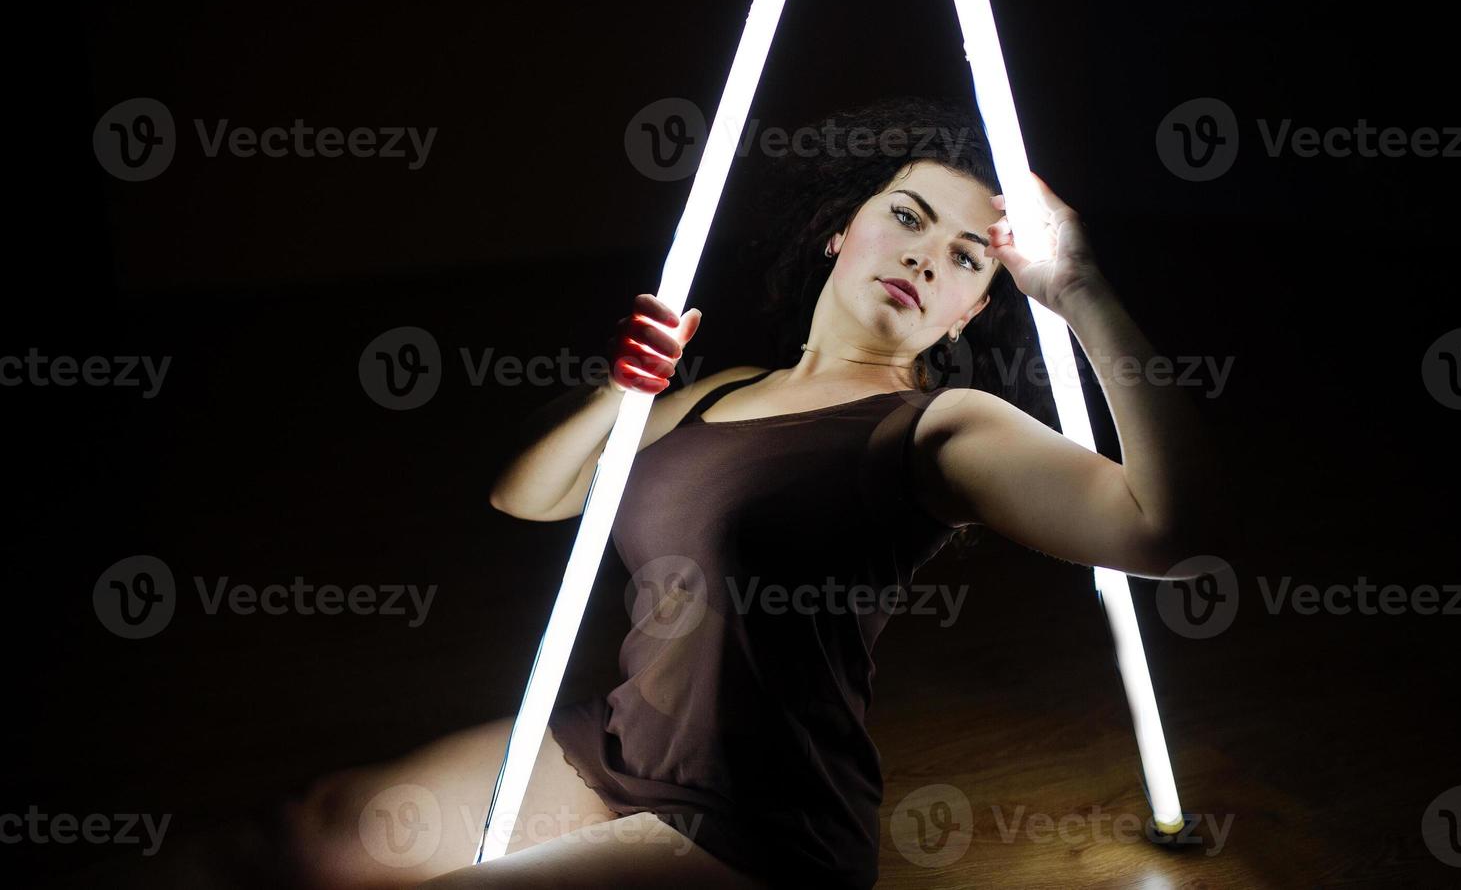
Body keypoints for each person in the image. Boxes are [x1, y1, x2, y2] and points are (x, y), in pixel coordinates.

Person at [279, 96, 1240, 889]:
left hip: (760, 826)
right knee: (328, 830)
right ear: (840, 231)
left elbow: (1165, 533)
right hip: (619, 751)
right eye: (906, 217)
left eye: (964, 255)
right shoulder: (722, 389)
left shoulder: (942, 426)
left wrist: (1078, 291)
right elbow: (527, 499)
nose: (921, 257)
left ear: (975, 307)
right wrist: (620, 391)